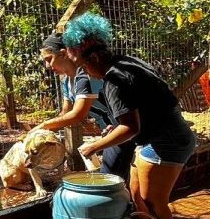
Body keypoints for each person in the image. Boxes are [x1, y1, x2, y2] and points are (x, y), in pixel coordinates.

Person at [65, 13, 197, 219]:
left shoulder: (114, 80)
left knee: (153, 202)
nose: (82, 71)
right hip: (157, 136)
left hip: (166, 142)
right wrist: (119, 125)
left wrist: (95, 146)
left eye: (80, 64)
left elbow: (131, 127)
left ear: (91, 57)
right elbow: (144, 107)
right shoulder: (127, 62)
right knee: (136, 194)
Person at [36, 33, 135, 182]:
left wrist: (42, 126)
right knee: (117, 179)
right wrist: (43, 135)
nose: (47, 66)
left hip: (124, 129)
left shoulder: (85, 74)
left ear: (63, 54)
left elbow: (77, 115)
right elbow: (66, 112)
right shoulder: (66, 81)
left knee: (110, 180)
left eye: (49, 59)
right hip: (112, 131)